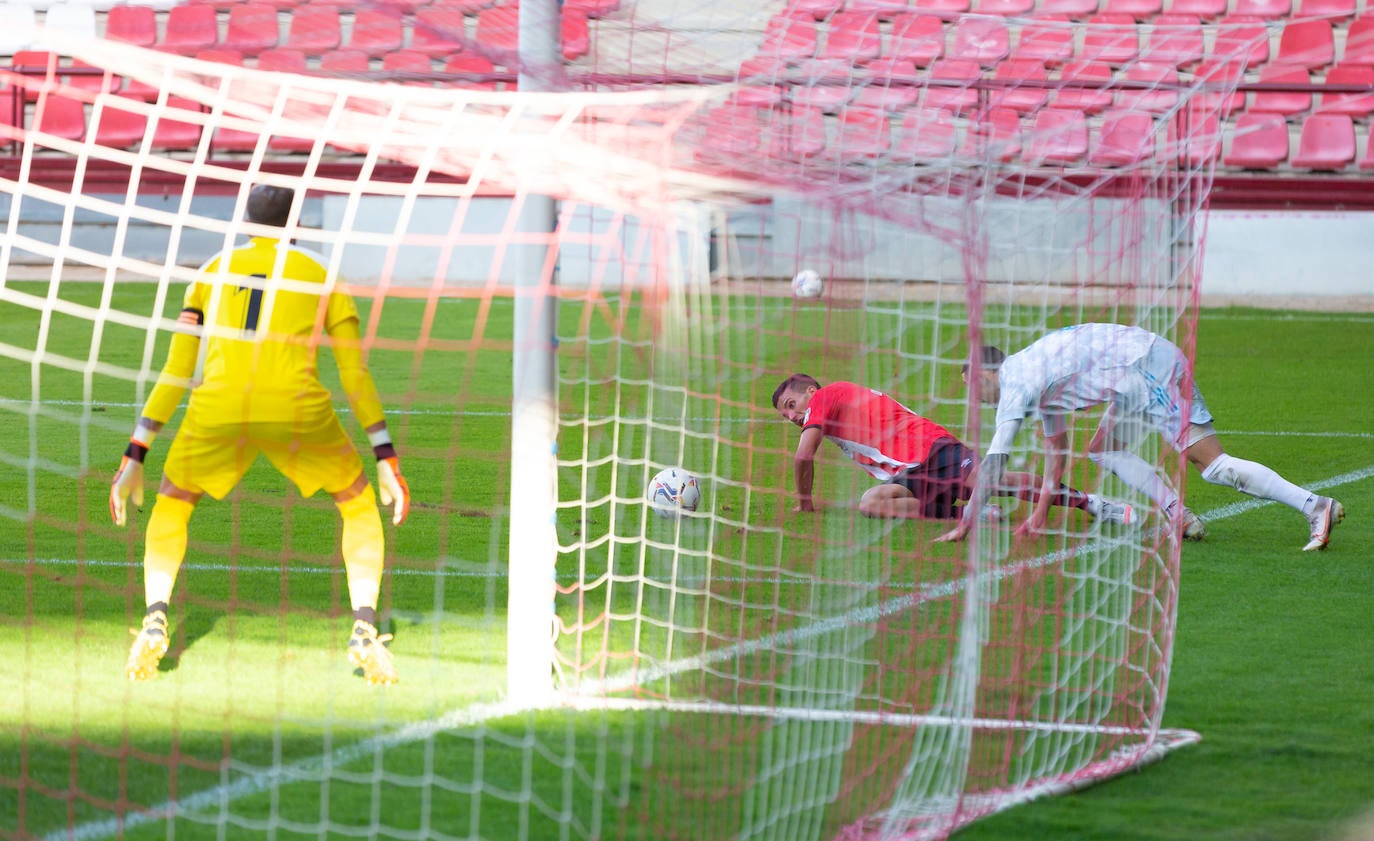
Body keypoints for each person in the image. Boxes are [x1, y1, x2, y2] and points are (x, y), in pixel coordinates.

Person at [109, 184, 410, 686]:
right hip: (297, 410)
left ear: (245, 220)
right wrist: (385, 454)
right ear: (295, 224)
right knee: (357, 504)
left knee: (173, 503)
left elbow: (177, 369)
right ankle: (363, 627)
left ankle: (156, 617)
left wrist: (135, 453)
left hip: (221, 407)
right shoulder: (321, 275)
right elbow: (355, 376)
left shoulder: (209, 273)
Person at [936, 323, 1344, 550]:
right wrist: (1041, 513)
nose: (979, 401)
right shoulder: (1035, 377)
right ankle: (1177, 514)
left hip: (1146, 370)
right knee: (1102, 450)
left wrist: (966, 522)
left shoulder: (1016, 383)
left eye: (976, 390)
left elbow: (995, 462)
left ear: (986, 373)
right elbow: (1056, 450)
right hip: (1139, 368)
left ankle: (1314, 505)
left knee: (1213, 464)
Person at [771, 374, 1134, 525]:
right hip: (906, 472)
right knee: (871, 503)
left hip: (929, 448)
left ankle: (1092, 504)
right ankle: (972, 516)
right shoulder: (828, 407)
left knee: (997, 480)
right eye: (785, 413)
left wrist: (805, 502)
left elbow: (804, 456)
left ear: (810, 393)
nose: (791, 416)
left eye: (790, 405)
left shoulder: (827, 395)